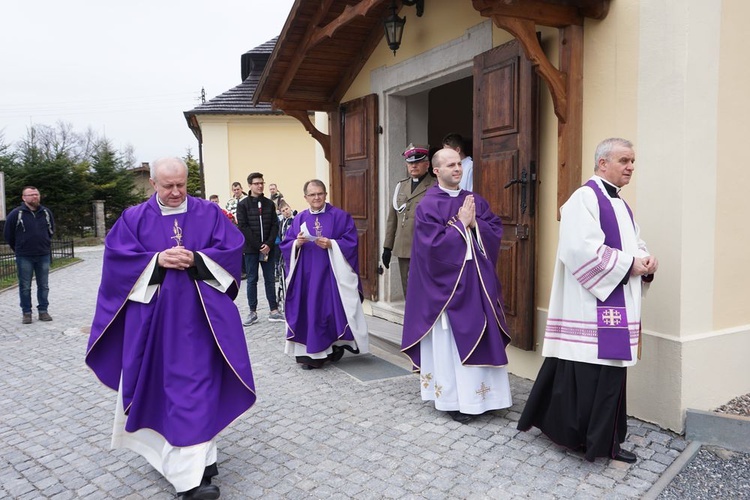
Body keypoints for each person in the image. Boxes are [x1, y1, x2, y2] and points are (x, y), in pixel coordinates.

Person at [85, 157, 256, 499]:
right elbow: (116, 263)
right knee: (170, 391)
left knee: (200, 389)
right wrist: (155, 260)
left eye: (182, 185)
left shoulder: (208, 214)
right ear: (153, 184)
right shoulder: (133, 219)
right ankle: (190, 477)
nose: (177, 192)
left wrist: (198, 258)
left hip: (203, 324)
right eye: (168, 186)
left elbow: (232, 248)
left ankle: (197, 468)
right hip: (155, 327)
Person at [517, 138, 658, 464]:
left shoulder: (621, 205)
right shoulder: (584, 199)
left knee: (604, 374)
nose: (631, 167)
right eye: (624, 160)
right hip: (590, 307)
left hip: (612, 302)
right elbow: (579, 249)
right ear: (602, 163)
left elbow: (634, 244)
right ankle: (592, 441)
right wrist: (628, 265)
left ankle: (599, 438)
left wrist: (646, 262)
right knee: (593, 375)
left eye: (633, 161)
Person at [401, 148, 512, 423]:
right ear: (436, 171)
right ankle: (454, 400)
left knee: (483, 334)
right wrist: (461, 226)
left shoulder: (474, 200)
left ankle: (486, 397)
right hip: (447, 290)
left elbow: (494, 228)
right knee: (451, 343)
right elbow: (431, 249)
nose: (457, 169)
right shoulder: (428, 205)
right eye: (450, 165)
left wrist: (475, 224)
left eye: (459, 164)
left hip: (476, 284)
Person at [280, 179, 369, 370]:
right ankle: (312, 354)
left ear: (325, 194)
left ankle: (333, 348)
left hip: (331, 275)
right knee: (310, 311)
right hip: (306, 277)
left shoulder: (340, 216)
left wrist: (332, 244)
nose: (316, 198)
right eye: (312, 195)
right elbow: (286, 243)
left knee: (329, 312)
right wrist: (297, 243)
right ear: (305, 197)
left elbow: (351, 242)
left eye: (320, 193)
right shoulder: (299, 218)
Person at [382, 143, 436, 295]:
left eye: (418, 162)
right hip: (403, 247)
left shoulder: (435, 186)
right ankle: (411, 318)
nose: (413, 166)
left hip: (425, 248)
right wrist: (387, 247)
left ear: (427, 164)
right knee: (408, 290)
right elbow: (392, 218)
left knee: (425, 289)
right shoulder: (401, 186)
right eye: (410, 163)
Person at [4, 186, 55, 324]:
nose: (34, 197)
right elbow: (8, 234)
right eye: (31, 194)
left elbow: (51, 230)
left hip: (43, 254)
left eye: (36, 194)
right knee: (25, 285)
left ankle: (43, 311)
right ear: (24, 198)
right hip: (24, 256)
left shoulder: (46, 212)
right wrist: (19, 248)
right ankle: (26, 312)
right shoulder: (16, 213)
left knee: (43, 285)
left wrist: (45, 244)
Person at [237, 172, 283, 324]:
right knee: (252, 279)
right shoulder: (243, 204)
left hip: (268, 249)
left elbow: (274, 225)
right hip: (251, 248)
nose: (260, 185)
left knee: (270, 279)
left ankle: (274, 310)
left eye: (262, 183)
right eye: (256, 183)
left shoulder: (269, 204)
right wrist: (259, 246)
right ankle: (252, 311)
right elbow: (243, 226)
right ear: (250, 185)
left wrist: (269, 244)